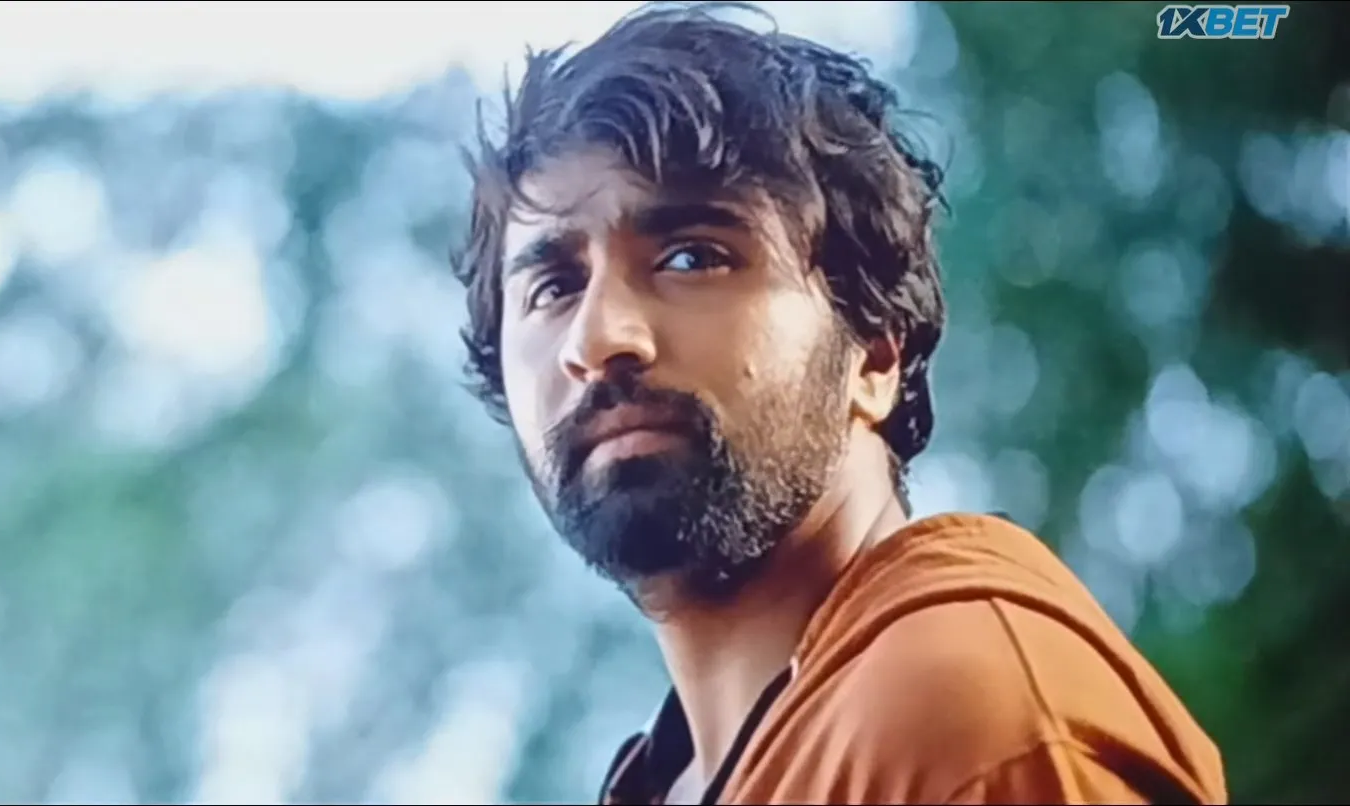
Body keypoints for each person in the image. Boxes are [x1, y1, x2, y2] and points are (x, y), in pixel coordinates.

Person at [448, 2, 1228, 803]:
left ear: (876, 353)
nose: (597, 337)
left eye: (692, 257)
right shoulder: (678, 775)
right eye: (554, 286)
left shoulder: (964, 721)